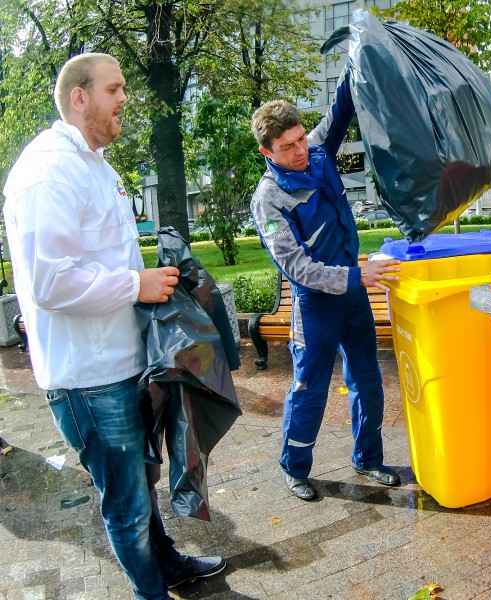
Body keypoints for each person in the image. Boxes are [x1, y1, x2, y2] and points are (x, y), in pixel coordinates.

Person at [2, 53, 225, 600]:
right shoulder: (46, 171)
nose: (125, 98)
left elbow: (102, 258)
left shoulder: (98, 167)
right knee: (124, 504)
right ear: (80, 97)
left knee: (140, 486)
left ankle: (167, 565)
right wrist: (135, 285)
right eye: (115, 88)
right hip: (88, 377)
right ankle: (151, 592)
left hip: (122, 365)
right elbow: (51, 282)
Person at [250, 68, 401, 502]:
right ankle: (295, 468)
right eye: (288, 146)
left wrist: (359, 57)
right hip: (315, 305)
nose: (301, 151)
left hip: (352, 297)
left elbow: (341, 109)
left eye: (301, 138)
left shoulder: (317, 150)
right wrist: (358, 276)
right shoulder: (268, 199)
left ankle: (368, 458)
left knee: (368, 380)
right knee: (310, 389)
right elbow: (298, 267)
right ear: (267, 150)